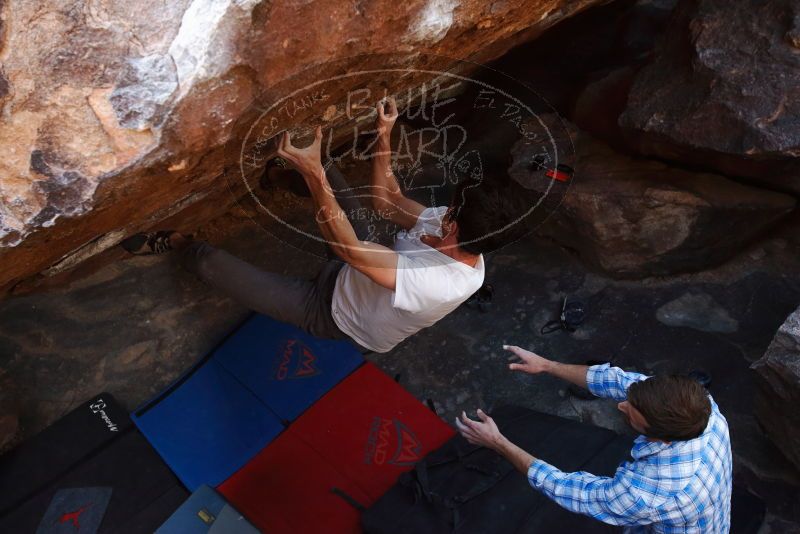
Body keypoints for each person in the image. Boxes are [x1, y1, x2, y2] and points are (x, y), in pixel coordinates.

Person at [121, 98, 529, 353]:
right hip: (364, 267)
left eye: (451, 212)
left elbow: (348, 249)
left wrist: (313, 172)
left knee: (209, 262)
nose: (444, 211)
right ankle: (281, 176)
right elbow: (385, 203)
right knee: (328, 174)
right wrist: (384, 137)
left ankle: (178, 243)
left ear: (456, 230)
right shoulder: (456, 229)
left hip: (332, 313)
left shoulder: (439, 283)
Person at [456, 345, 732, 533]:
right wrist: (546, 365)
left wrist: (498, 443)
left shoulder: (647, 495)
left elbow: (566, 488)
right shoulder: (701, 406)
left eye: (632, 413)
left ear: (661, 439)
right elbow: (616, 382)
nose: (621, 405)